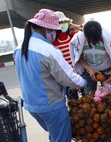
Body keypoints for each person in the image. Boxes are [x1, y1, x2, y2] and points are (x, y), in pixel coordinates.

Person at [13, 9, 87, 142]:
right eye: (54, 31)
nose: (55, 34)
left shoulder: (19, 48)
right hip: (51, 106)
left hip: (32, 105)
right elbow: (67, 77)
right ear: (46, 29)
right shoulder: (48, 50)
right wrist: (83, 82)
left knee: (55, 135)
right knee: (62, 138)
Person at [69, 20, 111, 95]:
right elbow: (78, 57)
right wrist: (90, 69)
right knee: (89, 95)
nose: (93, 41)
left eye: (96, 39)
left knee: (109, 95)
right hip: (88, 71)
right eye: (90, 39)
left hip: (107, 71)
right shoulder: (79, 39)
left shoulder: (107, 38)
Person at [53, 11, 84, 99]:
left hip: (80, 73)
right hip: (67, 77)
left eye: (64, 23)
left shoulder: (73, 36)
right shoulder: (53, 42)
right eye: (59, 23)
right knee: (73, 101)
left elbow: (86, 29)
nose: (62, 26)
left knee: (88, 97)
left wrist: (73, 26)